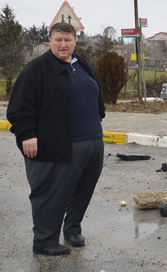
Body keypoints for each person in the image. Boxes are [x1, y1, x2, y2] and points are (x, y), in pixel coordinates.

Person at [7, 22, 105, 256]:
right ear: (49, 41)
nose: (63, 44)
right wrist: (27, 134)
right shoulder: (36, 70)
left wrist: (98, 116)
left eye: (67, 40)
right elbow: (20, 108)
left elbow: (96, 92)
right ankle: (44, 241)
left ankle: (72, 229)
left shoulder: (81, 64)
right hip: (57, 144)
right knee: (50, 193)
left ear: (75, 41)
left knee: (83, 190)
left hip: (92, 141)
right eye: (58, 40)